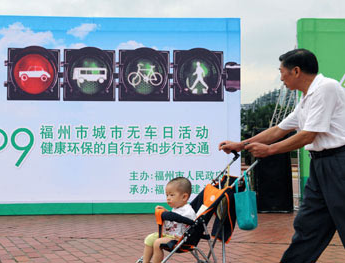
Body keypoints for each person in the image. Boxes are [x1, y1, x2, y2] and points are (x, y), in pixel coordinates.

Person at [219, 48, 345, 263]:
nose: (281, 78)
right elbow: (279, 129)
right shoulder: (306, 98)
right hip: (320, 167)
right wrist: (241, 145)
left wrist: (270, 150)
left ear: (296, 71)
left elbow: (308, 135)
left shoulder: (327, 88)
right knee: (309, 226)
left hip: (338, 165)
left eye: (281, 72)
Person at [140, 177, 196, 263]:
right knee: (150, 239)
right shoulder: (176, 208)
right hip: (171, 236)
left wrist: (182, 236)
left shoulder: (188, 211)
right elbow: (174, 218)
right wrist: (165, 211)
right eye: (167, 195)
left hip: (180, 239)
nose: (168, 198)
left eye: (172, 195)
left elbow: (189, 224)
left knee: (157, 243)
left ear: (184, 197)